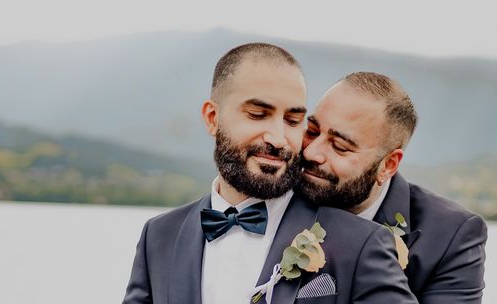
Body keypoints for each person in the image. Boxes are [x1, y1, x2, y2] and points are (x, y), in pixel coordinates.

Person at [123, 44, 418, 304]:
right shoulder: (158, 236)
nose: (278, 138)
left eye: (293, 120)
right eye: (258, 114)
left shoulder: (362, 243)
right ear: (213, 118)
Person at [298, 72, 488, 304]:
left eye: (339, 146)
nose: (311, 152)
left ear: (388, 166)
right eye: (312, 131)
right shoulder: (277, 192)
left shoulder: (452, 235)